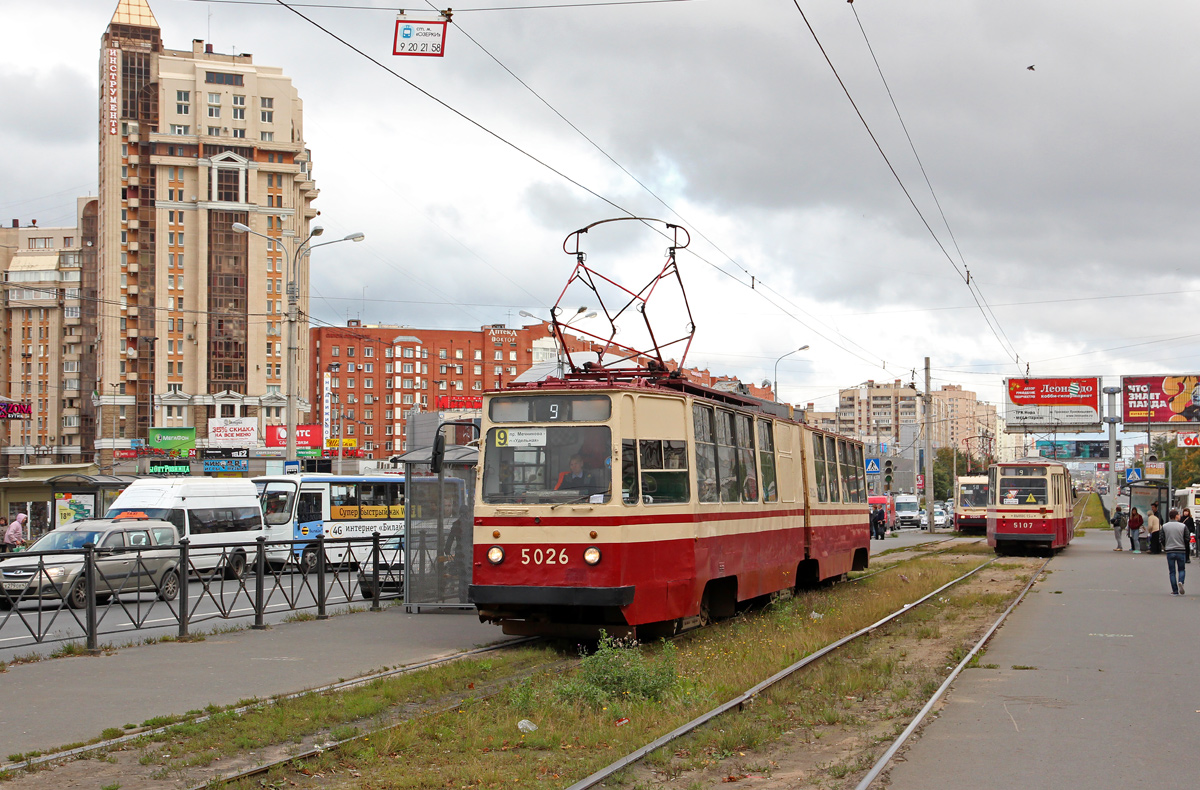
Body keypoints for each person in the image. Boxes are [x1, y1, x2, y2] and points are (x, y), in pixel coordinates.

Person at [1163, 509, 1189, 595]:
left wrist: (1166, 545)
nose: (1180, 515)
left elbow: (1161, 538)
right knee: (1181, 569)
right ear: (1176, 516)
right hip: (1181, 550)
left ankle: (1175, 591)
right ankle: (1181, 581)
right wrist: (1184, 546)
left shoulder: (1165, 526)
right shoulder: (1183, 526)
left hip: (1170, 550)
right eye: (1179, 514)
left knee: (1172, 571)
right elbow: (1187, 538)